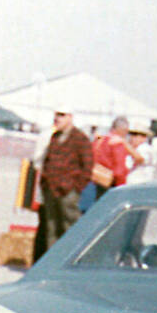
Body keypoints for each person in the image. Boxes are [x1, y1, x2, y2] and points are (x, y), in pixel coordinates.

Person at [34, 109, 92, 261]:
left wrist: (75, 188)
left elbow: (88, 167)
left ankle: (72, 262)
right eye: (56, 115)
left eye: (61, 115)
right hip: (51, 190)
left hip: (68, 193)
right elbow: (46, 161)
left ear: (70, 117)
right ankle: (52, 264)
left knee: (71, 229)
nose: (56, 119)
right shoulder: (55, 137)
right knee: (51, 229)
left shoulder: (80, 139)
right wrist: (45, 183)